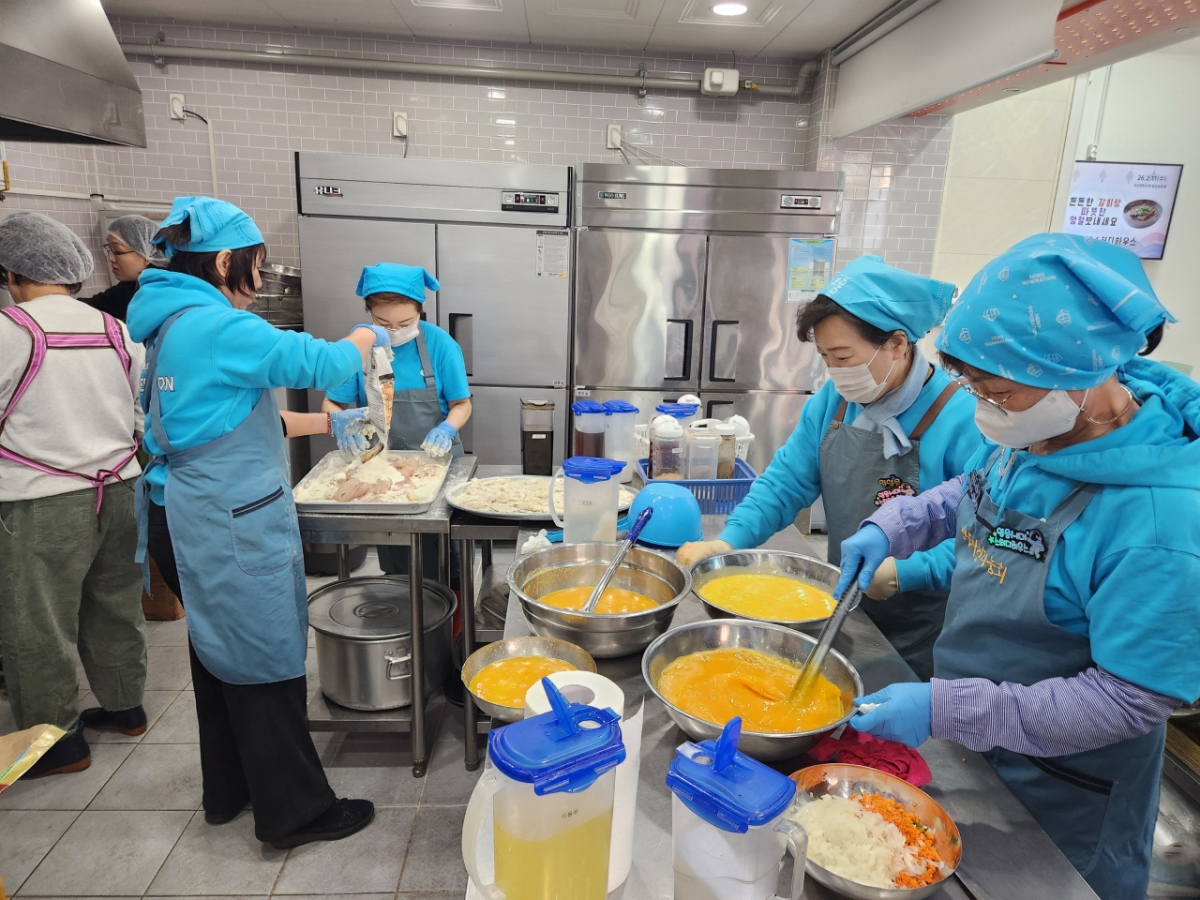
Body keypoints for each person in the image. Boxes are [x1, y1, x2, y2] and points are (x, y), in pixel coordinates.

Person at [838, 234, 1200, 900]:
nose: (984, 408)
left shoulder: (1160, 524)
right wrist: (896, 524)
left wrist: (947, 708)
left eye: (998, 391)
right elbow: (980, 492)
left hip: (1064, 798)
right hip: (978, 753)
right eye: (973, 386)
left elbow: (1128, 700)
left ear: (1081, 374)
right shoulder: (1042, 430)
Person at [127, 196, 384, 849]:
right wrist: (368, 337)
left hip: (182, 512)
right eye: (257, 265)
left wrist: (330, 423)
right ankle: (295, 812)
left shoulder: (171, 322)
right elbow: (324, 363)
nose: (262, 279)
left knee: (219, 658)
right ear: (223, 262)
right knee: (264, 660)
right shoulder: (217, 326)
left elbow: (230, 418)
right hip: (224, 521)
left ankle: (230, 791)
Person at [677, 256, 981, 678]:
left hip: (923, 629)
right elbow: (785, 483)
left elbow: (983, 538)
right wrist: (729, 541)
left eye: (843, 356)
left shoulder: (965, 419)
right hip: (840, 605)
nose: (835, 372)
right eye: (825, 358)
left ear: (897, 344)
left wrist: (908, 572)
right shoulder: (835, 402)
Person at [0, 212, 148, 777]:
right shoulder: (115, 329)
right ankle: (125, 707)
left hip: (42, 499)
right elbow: (139, 414)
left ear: (12, 274)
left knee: (38, 622)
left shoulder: (10, 330)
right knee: (115, 604)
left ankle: (56, 743)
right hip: (120, 488)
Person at [322, 263, 472, 579]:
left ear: (419, 311)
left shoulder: (440, 344)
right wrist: (339, 422)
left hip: (438, 465)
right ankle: (403, 602)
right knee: (400, 560)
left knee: (449, 559)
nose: (394, 331)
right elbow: (333, 401)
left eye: (405, 323)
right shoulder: (357, 347)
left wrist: (446, 428)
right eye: (382, 323)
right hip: (383, 471)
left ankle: (452, 607)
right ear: (369, 313)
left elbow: (461, 404)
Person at [83, 215, 167, 321]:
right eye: (110, 249)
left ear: (147, 254)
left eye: (118, 251)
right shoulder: (129, 286)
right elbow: (97, 305)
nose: (110, 258)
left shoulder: (163, 292)